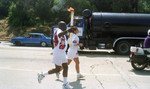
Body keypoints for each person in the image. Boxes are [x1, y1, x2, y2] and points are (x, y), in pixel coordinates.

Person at [37, 21, 73, 89]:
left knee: (65, 67)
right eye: (64, 26)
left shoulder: (63, 33)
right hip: (58, 52)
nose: (66, 27)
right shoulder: (58, 30)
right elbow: (59, 35)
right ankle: (42, 74)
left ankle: (65, 84)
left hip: (62, 52)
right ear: (61, 26)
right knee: (57, 69)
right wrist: (67, 31)